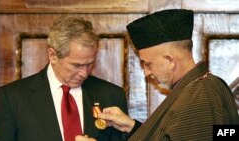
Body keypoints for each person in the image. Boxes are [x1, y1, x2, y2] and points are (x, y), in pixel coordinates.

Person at [99, 9, 239, 141]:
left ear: (170, 60)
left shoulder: (197, 98)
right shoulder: (202, 87)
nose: (147, 72)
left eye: (148, 64)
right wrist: (132, 127)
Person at [0, 16, 128, 141]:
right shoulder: (13, 98)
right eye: (76, 65)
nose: (84, 73)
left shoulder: (112, 96)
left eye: (89, 64)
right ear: (53, 55)